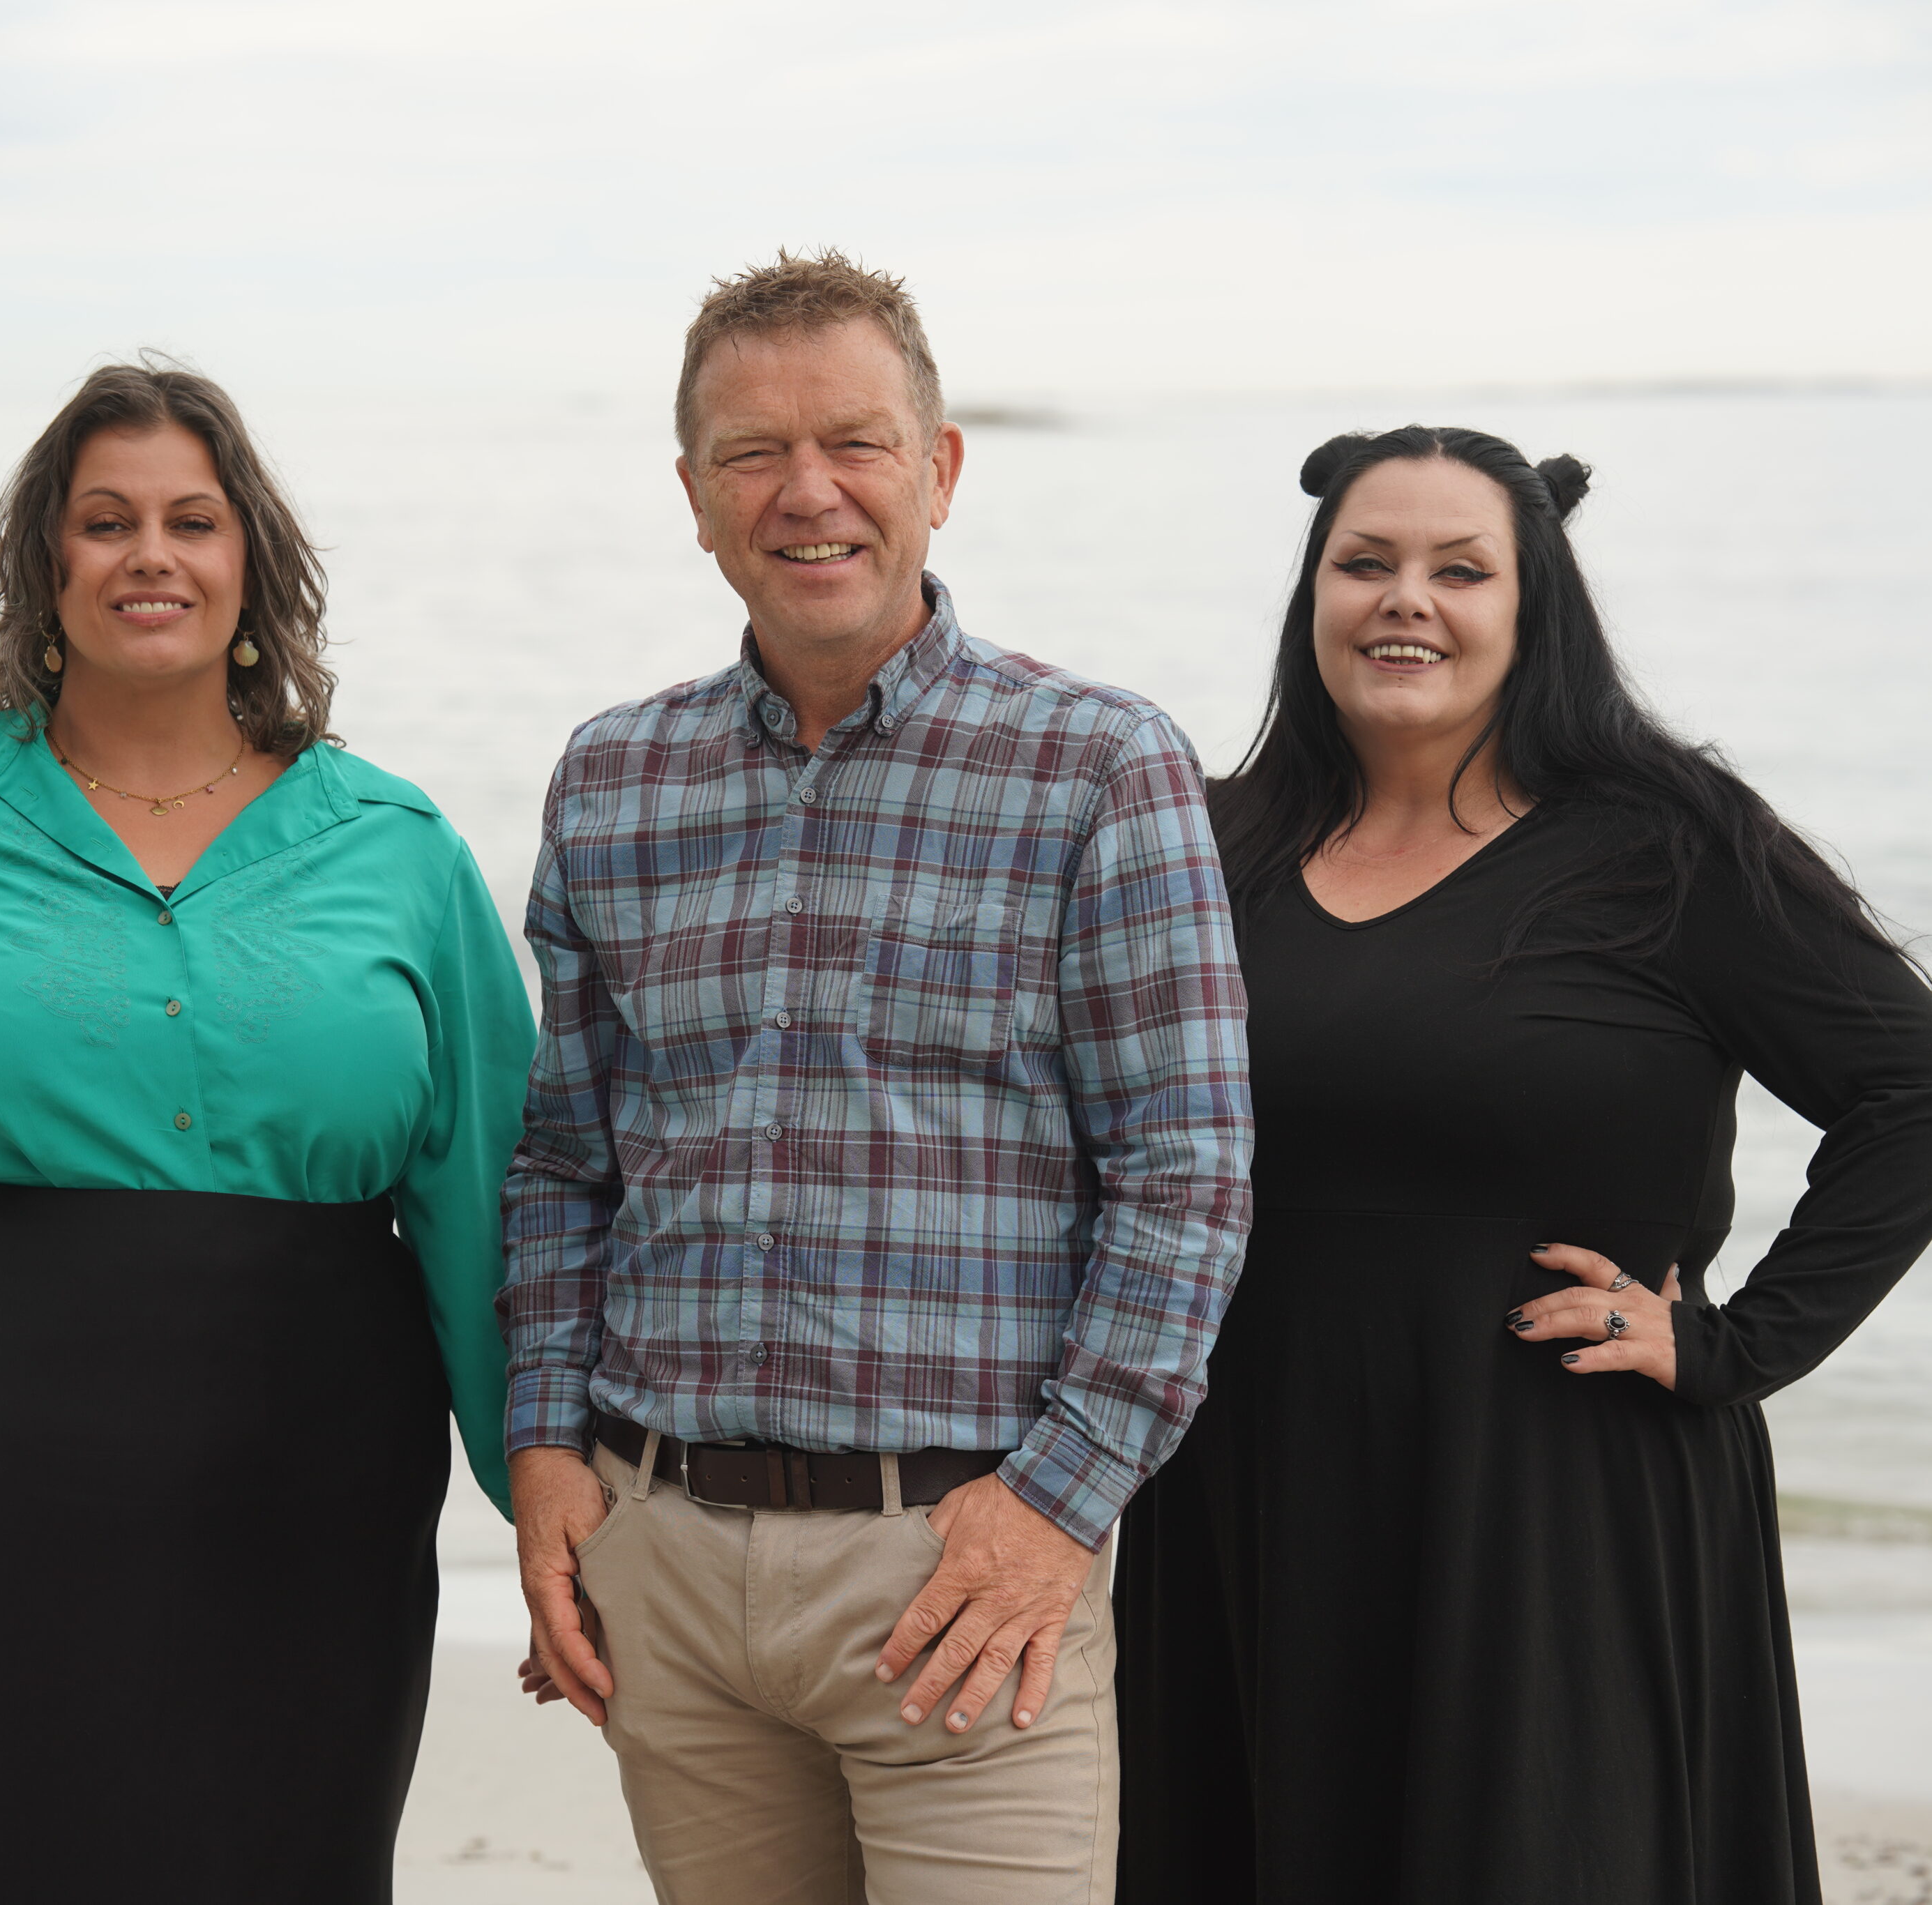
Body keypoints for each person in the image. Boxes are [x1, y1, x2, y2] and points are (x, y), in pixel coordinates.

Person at [1113, 427, 1932, 1903]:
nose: (1405, 599)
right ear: (1311, 597)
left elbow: (1923, 1099)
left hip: (1549, 1506)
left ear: (1534, 612)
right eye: (1364, 563)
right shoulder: (1210, 847)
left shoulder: (1667, 846)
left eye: (1459, 569)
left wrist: (1734, 1344)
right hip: (1238, 1502)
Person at [0, 361, 533, 1904]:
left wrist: (537, 1495)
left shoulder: (395, 844)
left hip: (319, 1463)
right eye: (106, 521)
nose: (153, 554)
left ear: (251, 563)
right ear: (45, 567)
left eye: (193, 520)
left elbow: (484, 1188)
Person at [496, 250, 1254, 1904]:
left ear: (940, 469)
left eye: (852, 440)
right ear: (693, 496)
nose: (807, 492)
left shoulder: (1099, 767)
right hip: (667, 1564)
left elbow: (1184, 1172)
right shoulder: (612, 778)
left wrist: (1055, 1506)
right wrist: (547, 1452)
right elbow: (561, 1160)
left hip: (960, 1577)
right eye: (750, 453)